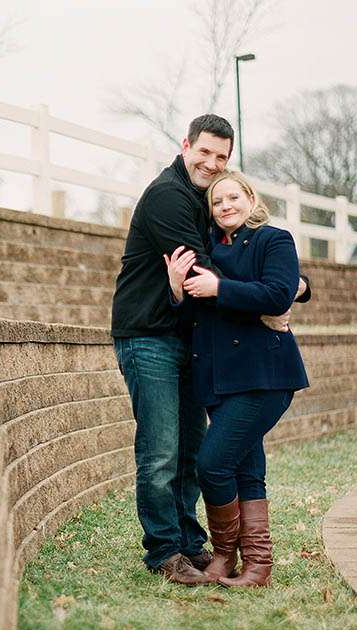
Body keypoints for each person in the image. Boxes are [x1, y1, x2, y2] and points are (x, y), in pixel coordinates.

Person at [111, 114, 302, 584]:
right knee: (160, 453)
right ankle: (164, 551)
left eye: (222, 158)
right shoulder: (169, 197)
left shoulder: (207, 203)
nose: (212, 164)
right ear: (186, 146)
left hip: (191, 342)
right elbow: (204, 272)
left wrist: (293, 285)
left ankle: (194, 545)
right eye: (205, 153)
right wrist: (276, 292)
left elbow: (242, 261)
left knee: (192, 450)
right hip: (149, 334)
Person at [166, 170, 310, 588]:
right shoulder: (206, 250)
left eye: (233, 197)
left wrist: (220, 288)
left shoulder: (273, 240)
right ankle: (257, 566)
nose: (225, 206)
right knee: (247, 470)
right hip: (218, 378)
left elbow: (279, 293)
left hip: (264, 376)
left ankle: (226, 553)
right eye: (216, 201)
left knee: (212, 464)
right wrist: (178, 290)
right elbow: (194, 316)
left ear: (250, 199)